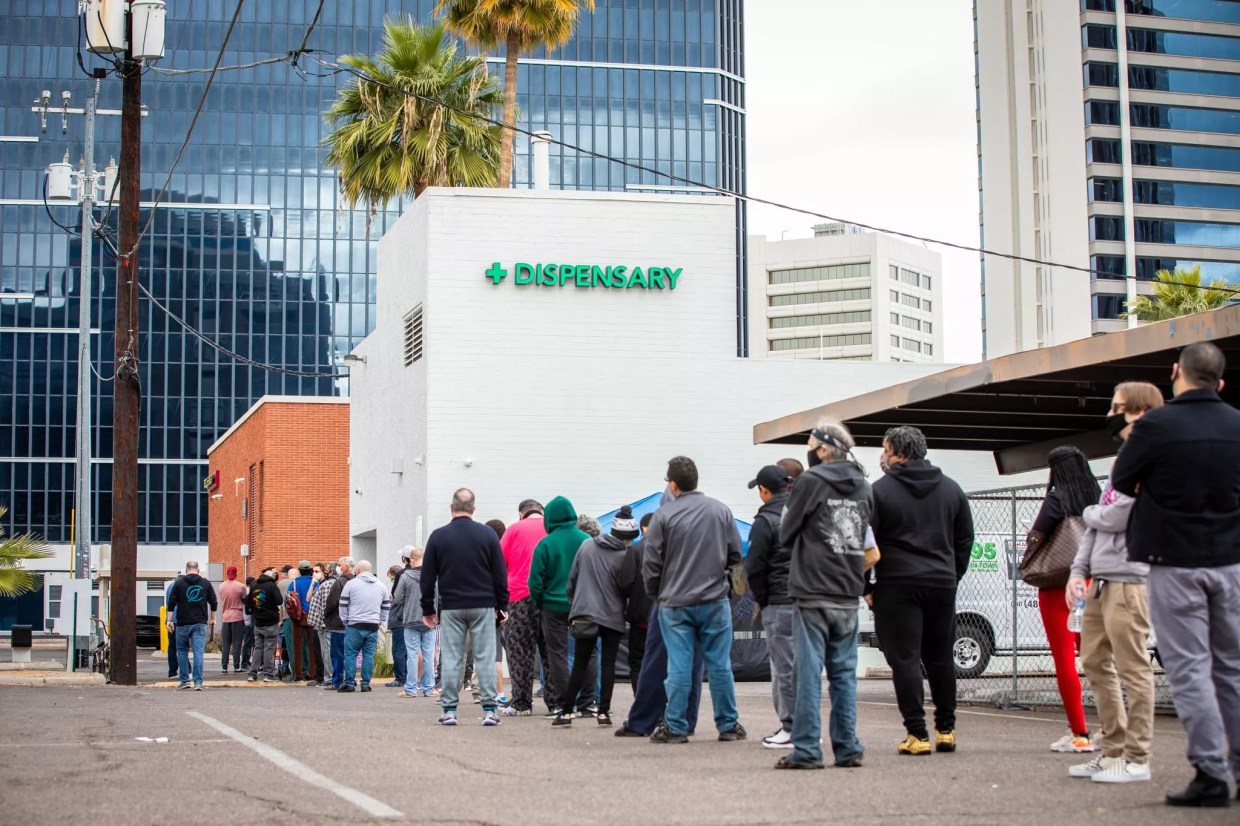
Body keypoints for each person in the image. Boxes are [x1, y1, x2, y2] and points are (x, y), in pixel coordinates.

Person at [1111, 342, 1240, 808]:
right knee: (1232, 668)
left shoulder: (1157, 426)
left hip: (1174, 561)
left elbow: (1122, 481)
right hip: (1231, 559)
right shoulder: (1236, 423)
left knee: (1189, 668)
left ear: (1176, 373)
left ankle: (1210, 773)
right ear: (1219, 382)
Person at [1064, 381, 1164, 784]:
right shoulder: (1122, 461)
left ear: (1139, 411)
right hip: (1101, 580)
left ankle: (1137, 756)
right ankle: (1112, 749)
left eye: (1118, 407)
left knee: (1132, 667)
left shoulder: (1150, 459)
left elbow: (1116, 516)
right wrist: (1076, 572)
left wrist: (1089, 512)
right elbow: (1098, 525)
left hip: (1130, 578)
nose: (1111, 414)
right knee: (1094, 662)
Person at [775, 420, 873, 769]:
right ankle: (847, 746)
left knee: (807, 672)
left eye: (810, 443)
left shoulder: (810, 482)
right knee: (844, 674)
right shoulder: (864, 485)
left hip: (812, 588)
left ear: (821, 450)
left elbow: (786, 533)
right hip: (848, 589)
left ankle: (807, 749)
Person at [870, 425, 974, 755]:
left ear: (898, 454)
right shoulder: (951, 489)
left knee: (905, 660)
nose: (883, 456)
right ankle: (946, 729)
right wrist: (952, 575)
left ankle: (917, 734)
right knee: (940, 658)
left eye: (885, 450)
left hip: (897, 583)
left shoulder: (879, 492)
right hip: (941, 583)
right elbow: (964, 539)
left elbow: (863, 542)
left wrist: (865, 586)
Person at [643, 456, 745, 745]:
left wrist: (656, 594)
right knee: (720, 665)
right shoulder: (720, 511)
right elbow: (736, 556)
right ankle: (728, 724)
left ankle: (676, 726)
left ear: (673, 485)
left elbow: (651, 564)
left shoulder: (663, 517)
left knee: (679, 664)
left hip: (675, 602)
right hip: (714, 600)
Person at [1027, 446, 1103, 754]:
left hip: (1059, 585)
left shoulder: (1057, 496)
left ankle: (1079, 732)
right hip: (1092, 581)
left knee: (1064, 659)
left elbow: (1039, 533)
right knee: (1096, 658)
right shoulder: (1097, 497)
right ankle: (1110, 728)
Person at [420, 488, 509, 727]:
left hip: (452, 607)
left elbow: (427, 577)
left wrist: (428, 609)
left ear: (452, 508)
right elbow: (500, 573)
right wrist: (502, 605)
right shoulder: (488, 535)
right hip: (482, 605)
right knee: (485, 658)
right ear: (474, 509)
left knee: (452, 658)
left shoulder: (438, 537)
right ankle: (490, 710)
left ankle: (449, 710)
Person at [553, 506, 640, 728]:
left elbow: (572, 579)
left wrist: (576, 603)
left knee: (580, 662)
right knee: (608, 663)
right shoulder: (626, 555)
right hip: (612, 616)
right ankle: (603, 712)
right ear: (628, 537)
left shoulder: (587, 546)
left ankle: (566, 712)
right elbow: (627, 588)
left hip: (584, 613)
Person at [529, 496, 593, 718]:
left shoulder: (545, 544)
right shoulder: (586, 540)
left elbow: (534, 581)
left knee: (557, 654)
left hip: (553, 606)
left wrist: (541, 601)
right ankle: (588, 701)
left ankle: (564, 703)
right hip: (583, 605)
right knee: (589, 652)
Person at [745, 464, 796, 749]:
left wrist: (763, 600)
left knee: (783, 667)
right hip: (807, 599)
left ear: (764, 490)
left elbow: (755, 567)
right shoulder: (803, 512)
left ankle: (790, 727)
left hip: (779, 600)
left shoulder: (765, 522)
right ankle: (806, 724)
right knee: (804, 666)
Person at [500, 499, 549, 716]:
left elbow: (499, 564)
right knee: (551, 651)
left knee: (520, 651)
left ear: (521, 514)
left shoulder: (513, 530)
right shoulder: (552, 529)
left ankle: (521, 703)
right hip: (550, 599)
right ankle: (556, 703)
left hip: (519, 596)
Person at [338, 560, 391, 693]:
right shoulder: (381, 585)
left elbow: (343, 604)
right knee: (368, 655)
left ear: (358, 570)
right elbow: (385, 606)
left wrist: (345, 620)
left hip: (355, 624)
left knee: (350, 655)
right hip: (373, 625)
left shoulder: (351, 584)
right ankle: (365, 684)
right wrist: (380, 621)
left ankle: (349, 682)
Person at [391, 547, 436, 697]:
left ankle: (410, 688)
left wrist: (407, 601)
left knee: (412, 654)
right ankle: (429, 688)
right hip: (429, 619)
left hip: (411, 619)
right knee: (428, 655)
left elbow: (397, 598)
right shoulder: (434, 576)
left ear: (411, 559)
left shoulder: (405, 576)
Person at [166, 561, 218, 691]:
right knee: (198, 652)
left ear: (186, 569)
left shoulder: (178, 583)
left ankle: (185, 680)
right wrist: (213, 618)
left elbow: (171, 603)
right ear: (198, 570)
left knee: (182, 651)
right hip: (200, 622)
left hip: (183, 622)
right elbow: (213, 601)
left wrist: (169, 620)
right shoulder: (205, 583)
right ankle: (198, 682)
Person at [619, 512, 656, 693]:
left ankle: (642, 707)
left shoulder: (635, 551)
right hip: (668, 618)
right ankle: (662, 710)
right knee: (663, 663)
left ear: (643, 528)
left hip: (640, 617)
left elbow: (625, 583)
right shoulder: (674, 549)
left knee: (637, 662)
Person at [246, 566, 283, 682]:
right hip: (271, 621)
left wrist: (253, 611)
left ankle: (252, 673)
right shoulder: (272, 585)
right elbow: (279, 601)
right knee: (269, 648)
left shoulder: (253, 585)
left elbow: (247, 603)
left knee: (258, 648)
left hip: (258, 621)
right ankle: (268, 674)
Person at [324, 556, 354, 690]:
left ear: (345, 567)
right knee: (350, 654)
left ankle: (337, 681)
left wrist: (325, 614)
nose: (339, 567)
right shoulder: (356, 582)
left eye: (340, 565)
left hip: (338, 622)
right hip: (353, 623)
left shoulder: (340, 582)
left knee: (337, 654)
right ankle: (350, 679)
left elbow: (331, 603)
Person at [307, 562, 338, 688]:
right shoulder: (321, 584)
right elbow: (309, 598)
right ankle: (329, 677)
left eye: (317, 571)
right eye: (313, 571)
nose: (314, 574)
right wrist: (312, 583)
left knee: (327, 651)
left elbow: (326, 605)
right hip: (324, 623)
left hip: (324, 624)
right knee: (325, 651)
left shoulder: (327, 585)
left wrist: (324, 620)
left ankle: (329, 678)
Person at [289, 561, 321, 684]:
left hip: (298, 617)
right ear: (310, 570)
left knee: (297, 645)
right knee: (313, 646)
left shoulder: (294, 583)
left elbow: (287, 599)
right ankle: (313, 673)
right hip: (313, 616)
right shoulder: (316, 582)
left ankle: (298, 674)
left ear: (299, 570)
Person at [387, 549, 414, 689]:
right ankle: (414, 677)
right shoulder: (424, 573)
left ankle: (400, 678)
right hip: (417, 616)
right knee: (416, 649)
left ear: (405, 558)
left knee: (398, 648)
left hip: (400, 617)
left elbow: (397, 596)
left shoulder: (402, 574)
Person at [217, 565, 247, 674]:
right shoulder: (241, 586)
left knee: (226, 644)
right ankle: (236, 666)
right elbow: (244, 599)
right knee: (237, 643)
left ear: (226, 573)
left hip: (226, 617)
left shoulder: (221, 586)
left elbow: (222, 598)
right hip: (237, 617)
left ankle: (224, 667)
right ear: (236, 574)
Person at [239, 576, 255, 672]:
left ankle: (246, 661)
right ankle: (245, 662)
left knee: (248, 642)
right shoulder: (250, 592)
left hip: (245, 620)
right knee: (248, 643)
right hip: (249, 621)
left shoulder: (244, 591)